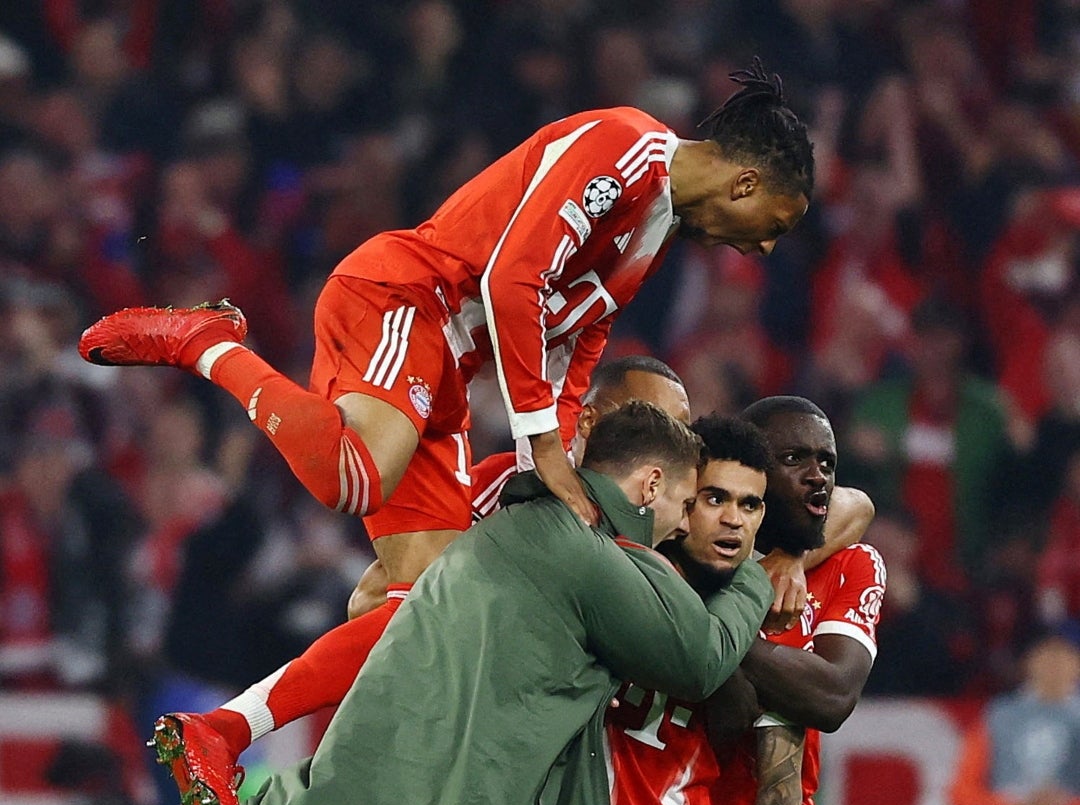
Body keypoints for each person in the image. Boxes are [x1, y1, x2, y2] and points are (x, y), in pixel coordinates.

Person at [78, 58, 813, 607]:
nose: (765, 248)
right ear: (744, 184)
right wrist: (546, 446)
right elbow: (511, 278)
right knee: (355, 476)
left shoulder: (655, 229)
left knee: (421, 598)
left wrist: (550, 460)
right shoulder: (626, 147)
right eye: (774, 226)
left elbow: (578, 344)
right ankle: (204, 343)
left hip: (449, 364)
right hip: (406, 298)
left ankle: (261, 738)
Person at [148, 354, 691, 805]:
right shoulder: (513, 487)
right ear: (591, 422)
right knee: (418, 610)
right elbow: (384, 599)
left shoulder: (693, 541)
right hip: (481, 781)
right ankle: (229, 732)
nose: (667, 445)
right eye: (649, 422)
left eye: (680, 431)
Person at [243, 402, 777, 805]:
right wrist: (755, 574)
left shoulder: (517, 525)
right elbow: (700, 659)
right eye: (687, 505)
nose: (685, 524)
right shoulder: (584, 555)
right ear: (651, 484)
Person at [607, 396, 882, 805]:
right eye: (794, 459)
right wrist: (734, 603)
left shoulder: (848, 562)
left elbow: (832, 697)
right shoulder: (662, 564)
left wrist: (778, 565)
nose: (817, 476)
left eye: (827, 463)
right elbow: (730, 718)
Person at [948, 625, 1080, 805]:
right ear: (1028, 662)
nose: (1055, 664)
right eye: (1046, 654)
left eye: (1064, 654)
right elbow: (962, 796)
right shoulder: (997, 718)